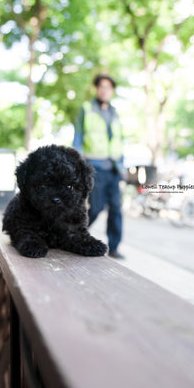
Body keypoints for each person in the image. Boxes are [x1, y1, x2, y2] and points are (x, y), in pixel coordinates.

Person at [73, 74, 124, 258]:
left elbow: (119, 140)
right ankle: (74, 234)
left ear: (112, 91)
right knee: (95, 208)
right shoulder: (87, 109)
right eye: (101, 87)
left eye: (108, 87)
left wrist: (122, 164)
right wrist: (77, 163)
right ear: (96, 89)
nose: (105, 90)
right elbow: (78, 137)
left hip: (114, 168)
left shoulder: (115, 112)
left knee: (116, 208)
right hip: (95, 167)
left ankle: (115, 247)